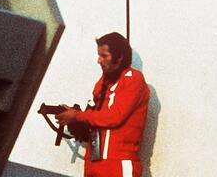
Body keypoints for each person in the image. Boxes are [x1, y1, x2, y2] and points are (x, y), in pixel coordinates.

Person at [57, 32, 149, 177]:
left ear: (120, 57)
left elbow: (114, 117)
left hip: (118, 163)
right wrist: (75, 118)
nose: (99, 61)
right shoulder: (103, 82)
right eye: (99, 55)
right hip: (94, 161)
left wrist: (78, 116)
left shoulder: (133, 79)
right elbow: (95, 115)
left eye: (104, 56)